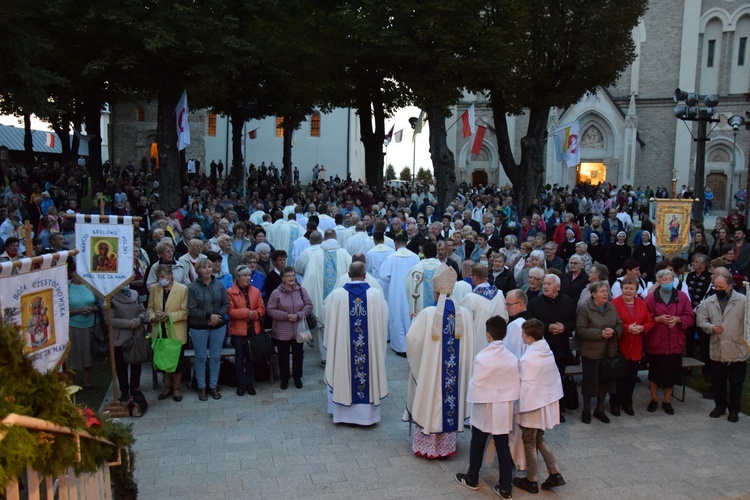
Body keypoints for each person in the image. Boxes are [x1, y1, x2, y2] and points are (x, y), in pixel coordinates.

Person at [405, 264, 474, 459]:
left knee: (431, 402)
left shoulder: (427, 314)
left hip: (432, 374)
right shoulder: (465, 315)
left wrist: (414, 322)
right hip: (454, 376)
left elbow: (412, 340)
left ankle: (428, 446)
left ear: (436, 292)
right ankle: (445, 446)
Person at [454, 316, 518, 499]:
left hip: (484, 408)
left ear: (488, 335)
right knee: (502, 446)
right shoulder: (512, 358)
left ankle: (472, 478)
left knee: (477, 443)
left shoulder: (482, 357)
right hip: (502, 409)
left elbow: (476, 384)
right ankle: (505, 487)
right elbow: (514, 384)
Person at [323, 262, 389, 425]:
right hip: (368, 350)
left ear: (348, 274)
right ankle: (367, 417)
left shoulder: (336, 295)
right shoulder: (375, 295)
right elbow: (384, 318)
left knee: (342, 370)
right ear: (365, 275)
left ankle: (342, 415)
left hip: (344, 350)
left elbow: (327, 316)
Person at [513, 318, 566, 494]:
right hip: (545, 402)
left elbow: (525, 386)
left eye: (522, 334)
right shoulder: (546, 350)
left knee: (529, 441)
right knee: (539, 439)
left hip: (532, 406)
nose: (521, 336)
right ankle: (555, 473)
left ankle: (532, 480)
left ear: (528, 337)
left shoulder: (528, 358)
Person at [696, 270, 749, 423]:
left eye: (720, 287)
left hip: (736, 349)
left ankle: (734, 410)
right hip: (717, 348)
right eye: (715, 287)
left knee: (736, 383)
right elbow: (701, 321)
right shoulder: (709, 301)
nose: (717, 289)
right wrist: (711, 327)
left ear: (730, 286)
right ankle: (719, 406)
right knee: (718, 381)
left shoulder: (743, 301)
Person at [295, 229, 351, 364]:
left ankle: (325, 357)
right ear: (336, 238)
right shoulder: (344, 253)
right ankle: (341, 355)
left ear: (324, 239)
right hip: (341, 299)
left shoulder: (316, 254)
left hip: (321, 299)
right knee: (341, 325)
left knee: (322, 326)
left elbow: (305, 272)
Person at [644, 269, 694, 415]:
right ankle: (653, 399)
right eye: (663, 280)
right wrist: (657, 319)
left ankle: (667, 401)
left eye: (669, 279)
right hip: (656, 341)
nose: (667, 282)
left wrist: (678, 320)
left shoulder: (682, 297)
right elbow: (645, 318)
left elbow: (690, 317)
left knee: (671, 374)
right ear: (658, 281)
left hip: (674, 342)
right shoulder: (651, 298)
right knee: (654, 372)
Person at [527, 273, 576, 422]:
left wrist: (564, 327)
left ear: (558, 287)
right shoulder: (535, 303)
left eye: (549, 284)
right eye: (544, 284)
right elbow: (531, 322)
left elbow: (573, 320)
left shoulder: (567, 301)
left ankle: (557, 410)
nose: (545, 286)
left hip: (561, 348)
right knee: (541, 380)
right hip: (542, 348)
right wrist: (548, 327)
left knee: (557, 379)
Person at [575, 280, 623, 424]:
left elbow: (620, 324)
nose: (605, 294)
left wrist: (613, 331)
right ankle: (586, 410)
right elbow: (580, 330)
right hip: (591, 352)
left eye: (606, 291)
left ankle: (599, 409)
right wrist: (600, 333)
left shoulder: (611, 307)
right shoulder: (585, 308)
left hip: (609, 351)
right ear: (594, 294)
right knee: (590, 383)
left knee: (605, 381)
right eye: (602, 291)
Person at [610, 277, 654, 416]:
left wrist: (642, 328)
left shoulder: (641, 304)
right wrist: (627, 328)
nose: (628, 291)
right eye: (626, 288)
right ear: (621, 289)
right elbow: (611, 323)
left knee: (631, 377)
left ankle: (627, 403)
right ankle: (615, 403)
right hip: (619, 347)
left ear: (636, 290)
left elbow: (650, 321)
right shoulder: (614, 304)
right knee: (618, 378)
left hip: (635, 347)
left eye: (631, 288)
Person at [188, 258, 229, 401]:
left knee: (215, 357)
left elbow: (226, 303)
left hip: (218, 325)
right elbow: (192, 308)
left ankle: (213, 386)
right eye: (204, 267)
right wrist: (208, 317)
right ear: (198, 270)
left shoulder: (218, 284)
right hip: (199, 327)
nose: (208, 269)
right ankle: (202, 387)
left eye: (209, 267)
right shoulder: (192, 287)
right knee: (200, 358)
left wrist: (217, 317)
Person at [267, 266, 313, 389]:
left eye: (293, 275)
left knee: (298, 354)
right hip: (282, 330)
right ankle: (285, 379)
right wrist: (286, 316)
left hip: (299, 329)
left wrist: (299, 315)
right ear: (282, 278)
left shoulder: (301, 290)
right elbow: (270, 310)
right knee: (283, 356)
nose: (291, 278)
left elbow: (309, 305)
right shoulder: (276, 293)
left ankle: (297, 378)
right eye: (288, 276)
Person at [148, 264, 189, 402]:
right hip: (159, 329)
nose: (161, 280)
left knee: (176, 362)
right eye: (159, 277)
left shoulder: (182, 289)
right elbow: (150, 308)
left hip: (175, 331)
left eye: (163, 277)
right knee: (163, 360)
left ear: (171, 276)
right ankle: (167, 386)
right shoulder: (155, 289)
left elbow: (185, 312)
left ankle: (177, 388)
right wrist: (153, 317)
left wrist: (169, 315)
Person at [227, 264, 265, 396]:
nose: (247, 277)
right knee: (239, 358)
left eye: (249, 275)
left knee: (250, 358)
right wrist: (247, 313)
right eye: (244, 275)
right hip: (238, 331)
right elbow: (230, 311)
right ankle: (240, 383)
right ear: (237, 277)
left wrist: (253, 314)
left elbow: (261, 308)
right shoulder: (230, 292)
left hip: (253, 330)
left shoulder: (255, 291)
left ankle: (249, 382)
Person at [379, 233, 420, 356]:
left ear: (395, 243)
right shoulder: (414, 257)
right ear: (406, 243)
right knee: (410, 316)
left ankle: (400, 346)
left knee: (397, 317)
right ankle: (412, 345)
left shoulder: (392, 257)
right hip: (412, 291)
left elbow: (384, 276)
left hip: (396, 291)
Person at [460, 263, 508, 358]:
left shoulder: (471, 298)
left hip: (477, 346)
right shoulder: (500, 295)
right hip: (498, 347)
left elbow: (462, 323)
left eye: (471, 276)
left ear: (475, 277)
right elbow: (505, 319)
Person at [111, 286, 148, 403]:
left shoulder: (135, 294)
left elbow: (143, 311)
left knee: (136, 363)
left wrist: (138, 320)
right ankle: (124, 390)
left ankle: (135, 388)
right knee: (121, 366)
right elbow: (109, 319)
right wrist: (128, 323)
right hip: (120, 337)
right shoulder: (111, 298)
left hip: (136, 334)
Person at [67, 260, 100, 389]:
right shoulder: (66, 287)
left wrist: (93, 309)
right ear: (71, 272)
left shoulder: (91, 285)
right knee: (72, 354)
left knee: (89, 352)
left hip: (91, 324)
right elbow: (61, 310)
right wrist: (77, 311)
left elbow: (101, 305)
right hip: (73, 325)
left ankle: (87, 378)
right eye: (77, 271)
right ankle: (71, 380)